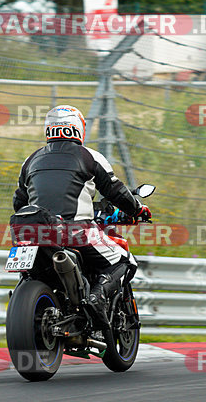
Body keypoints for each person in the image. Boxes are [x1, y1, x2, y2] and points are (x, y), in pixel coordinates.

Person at [12, 104, 151, 329]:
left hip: (30, 232)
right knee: (124, 260)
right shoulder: (89, 157)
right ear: (78, 128)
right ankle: (96, 296)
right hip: (75, 231)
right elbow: (116, 191)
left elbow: (20, 201)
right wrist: (137, 210)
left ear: (50, 129)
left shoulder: (30, 160)